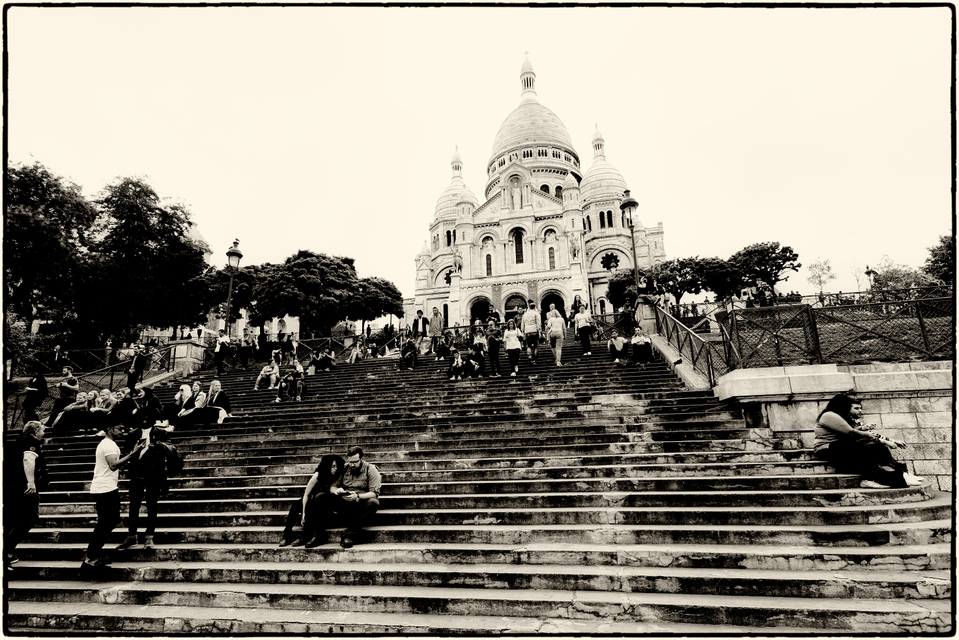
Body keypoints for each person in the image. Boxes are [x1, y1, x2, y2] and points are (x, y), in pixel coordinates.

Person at [814, 394, 923, 489]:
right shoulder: (829, 415)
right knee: (869, 446)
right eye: (849, 406)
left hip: (840, 446)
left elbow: (854, 434)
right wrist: (874, 437)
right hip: (826, 449)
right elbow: (850, 432)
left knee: (874, 446)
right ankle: (870, 479)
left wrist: (886, 440)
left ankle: (899, 473)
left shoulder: (841, 417)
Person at [81, 423, 146, 568]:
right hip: (105, 489)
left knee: (108, 522)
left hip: (105, 487)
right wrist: (134, 453)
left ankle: (93, 556)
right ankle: (91, 558)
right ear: (110, 429)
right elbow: (113, 465)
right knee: (106, 523)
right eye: (119, 429)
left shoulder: (108, 444)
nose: (122, 432)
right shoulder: (108, 445)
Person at [116, 420, 172, 550]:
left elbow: (170, 450)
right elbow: (126, 452)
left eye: (148, 417)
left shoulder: (161, 432)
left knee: (152, 505)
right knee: (134, 505)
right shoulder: (133, 433)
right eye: (142, 417)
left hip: (154, 474)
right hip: (137, 473)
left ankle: (149, 537)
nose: (145, 419)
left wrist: (158, 446)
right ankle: (131, 536)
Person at [317, 446, 381, 548]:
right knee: (321, 496)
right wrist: (337, 491)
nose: (352, 465)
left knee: (374, 502)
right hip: (344, 502)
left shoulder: (371, 469)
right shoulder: (344, 467)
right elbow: (332, 487)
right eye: (350, 462)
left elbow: (374, 493)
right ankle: (317, 534)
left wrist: (358, 496)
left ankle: (348, 534)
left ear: (361, 458)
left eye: (355, 462)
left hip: (360, 503)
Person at [278, 454, 346, 548]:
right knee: (296, 504)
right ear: (327, 466)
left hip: (324, 504)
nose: (335, 469)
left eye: (337, 466)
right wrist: (304, 513)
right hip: (311, 499)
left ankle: (307, 537)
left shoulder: (338, 476)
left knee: (318, 504)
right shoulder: (318, 475)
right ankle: (287, 535)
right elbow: (306, 494)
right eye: (333, 466)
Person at [4, 421, 47, 569]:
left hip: (10, 486)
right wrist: (31, 482)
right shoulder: (31, 442)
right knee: (30, 517)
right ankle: (7, 552)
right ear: (35, 431)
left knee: (12, 519)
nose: (44, 432)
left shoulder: (16, 442)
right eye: (42, 429)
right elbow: (28, 459)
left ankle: (7, 554)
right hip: (24, 487)